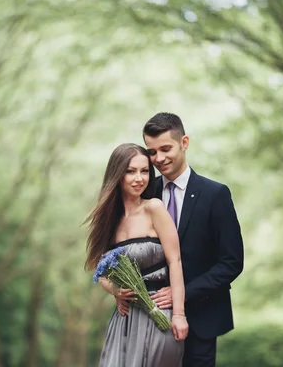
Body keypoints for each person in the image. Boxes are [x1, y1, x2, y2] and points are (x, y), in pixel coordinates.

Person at [116, 112, 244, 367]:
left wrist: (181, 294)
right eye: (152, 152)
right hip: (147, 319)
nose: (159, 158)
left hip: (201, 318)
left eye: (165, 148)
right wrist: (118, 289)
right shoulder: (143, 191)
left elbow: (231, 262)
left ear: (184, 143)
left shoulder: (215, 194)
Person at [85, 143, 189, 367]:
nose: (139, 178)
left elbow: (175, 261)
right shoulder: (109, 221)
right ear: (117, 174)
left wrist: (179, 314)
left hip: (159, 312)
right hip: (125, 319)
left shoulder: (154, 208)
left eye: (144, 171)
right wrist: (115, 290)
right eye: (130, 171)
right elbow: (100, 270)